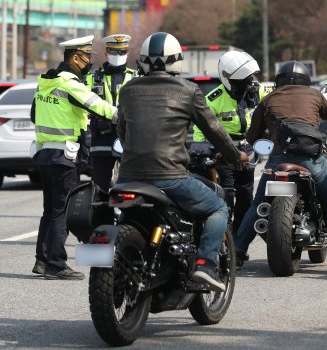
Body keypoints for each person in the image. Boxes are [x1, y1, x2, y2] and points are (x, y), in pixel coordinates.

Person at [116, 32, 248, 292]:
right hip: (170, 177)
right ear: (176, 61)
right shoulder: (188, 91)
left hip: (128, 177)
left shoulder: (128, 90)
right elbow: (215, 131)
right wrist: (236, 157)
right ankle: (205, 264)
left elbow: (123, 131)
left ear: (143, 61)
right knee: (218, 207)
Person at [235, 61, 327, 272]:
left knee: (257, 206)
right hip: (310, 161)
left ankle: (238, 254)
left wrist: (270, 134)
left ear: (279, 80)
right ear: (306, 80)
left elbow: (252, 137)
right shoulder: (314, 96)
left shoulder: (268, 100)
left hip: (278, 161)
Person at [31, 35, 118, 280]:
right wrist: (130, 116)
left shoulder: (45, 83)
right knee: (62, 211)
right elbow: (100, 107)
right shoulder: (70, 83)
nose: (89, 61)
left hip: (44, 154)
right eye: (88, 57)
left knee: (50, 210)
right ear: (77, 57)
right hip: (64, 156)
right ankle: (56, 265)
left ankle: (42, 259)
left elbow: (33, 114)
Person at [192, 51, 267, 234]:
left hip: (248, 149)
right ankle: (223, 238)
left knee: (246, 198)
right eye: (241, 80)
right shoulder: (213, 99)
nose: (246, 84)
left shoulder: (256, 92)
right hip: (224, 151)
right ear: (228, 78)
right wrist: (201, 152)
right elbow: (200, 129)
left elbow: (278, 99)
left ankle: (238, 239)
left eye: (248, 79)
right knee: (227, 197)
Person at [85, 34, 137, 192]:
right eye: (114, 52)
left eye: (122, 52)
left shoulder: (137, 77)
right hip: (101, 140)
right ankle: (102, 216)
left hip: (130, 141)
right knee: (99, 190)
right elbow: (82, 105)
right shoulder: (92, 78)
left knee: (131, 189)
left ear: (127, 53)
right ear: (106, 53)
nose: (118, 56)